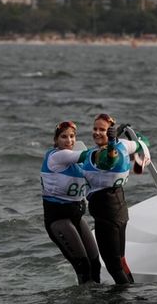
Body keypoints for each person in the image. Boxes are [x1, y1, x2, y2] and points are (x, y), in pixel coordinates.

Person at [82, 113, 150, 284]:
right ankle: (133, 293)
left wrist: (112, 141)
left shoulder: (105, 153)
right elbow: (143, 141)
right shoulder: (124, 145)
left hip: (107, 215)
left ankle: (126, 298)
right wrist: (122, 133)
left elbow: (109, 161)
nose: (97, 132)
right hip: (119, 210)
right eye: (95, 128)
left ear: (109, 132)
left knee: (113, 266)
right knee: (120, 260)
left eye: (102, 130)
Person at [41, 120, 101, 284]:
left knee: (96, 265)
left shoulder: (77, 157)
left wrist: (128, 148)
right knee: (83, 267)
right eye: (64, 137)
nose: (69, 141)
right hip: (58, 219)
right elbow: (88, 155)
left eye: (72, 136)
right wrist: (108, 146)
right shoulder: (57, 156)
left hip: (77, 216)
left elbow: (98, 164)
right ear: (56, 140)